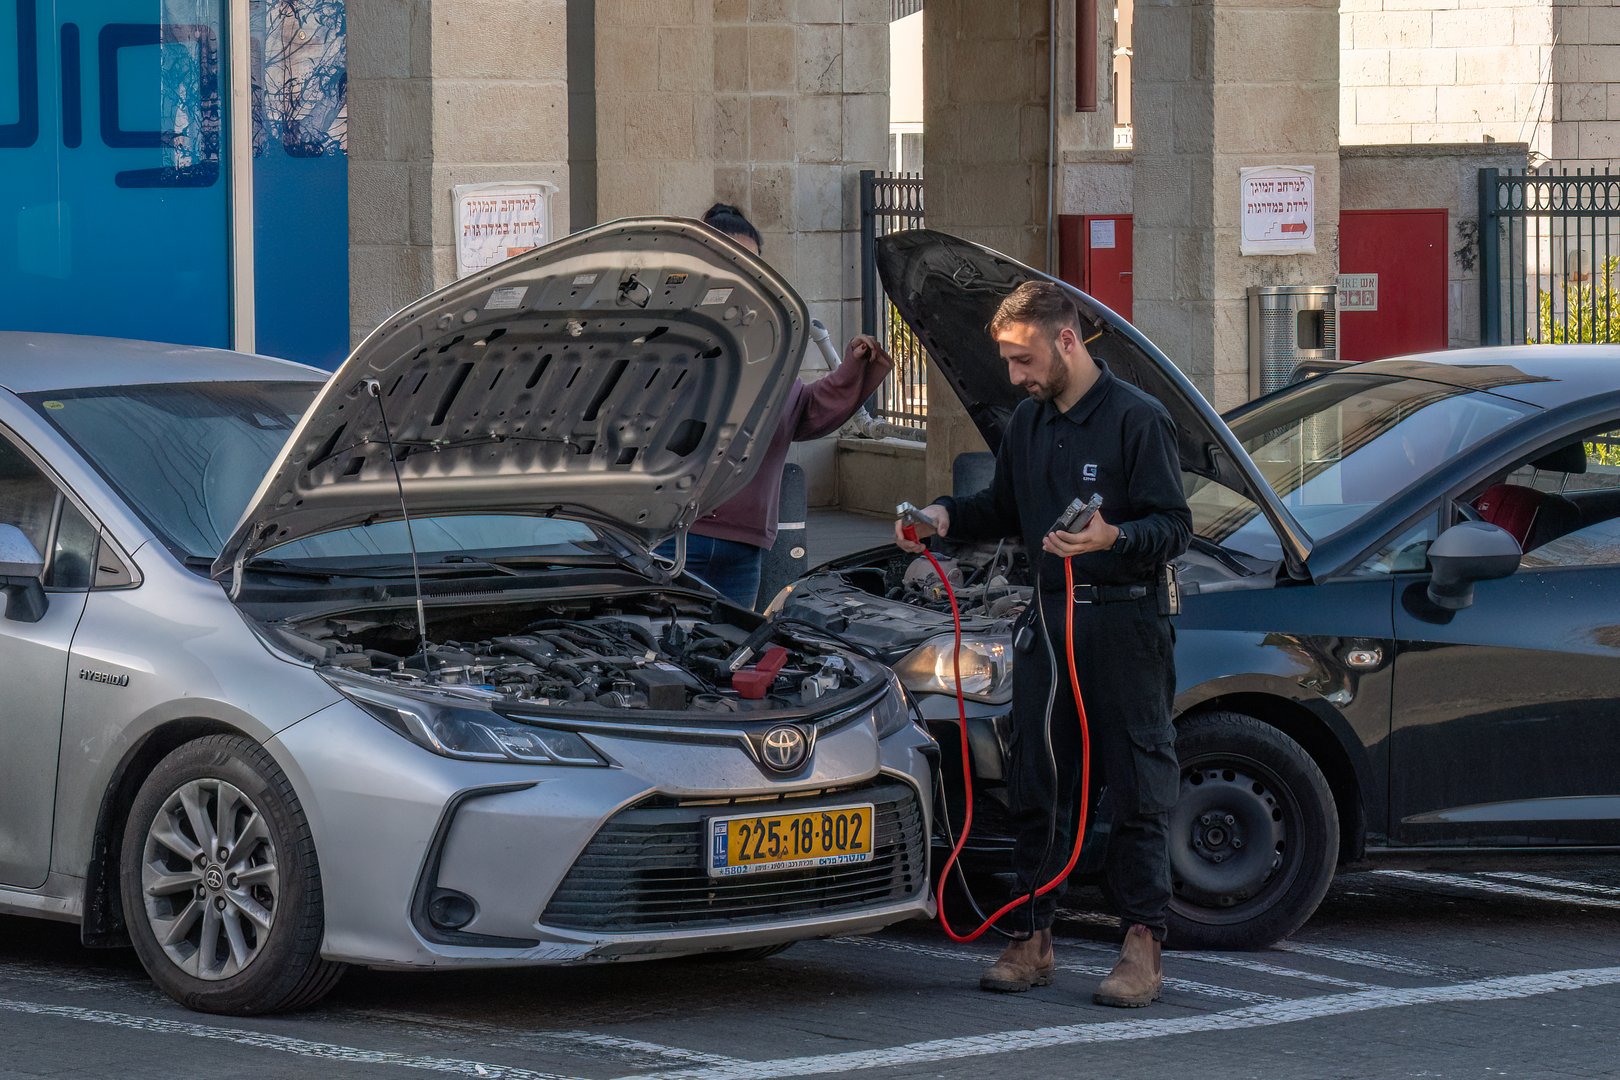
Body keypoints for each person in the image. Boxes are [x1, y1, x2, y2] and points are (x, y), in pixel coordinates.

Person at [895, 280, 1190, 1008]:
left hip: (1125, 623)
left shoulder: (1137, 419)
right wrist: (940, 515)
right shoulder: (1028, 424)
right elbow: (1000, 508)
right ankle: (1031, 937)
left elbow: (1175, 527)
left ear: (1066, 340)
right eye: (1007, 360)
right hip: (1047, 625)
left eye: (1023, 358)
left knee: (1137, 784)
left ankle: (1142, 945)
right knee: (1037, 780)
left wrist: (1114, 537)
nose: (1014, 375)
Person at [662, 203, 893, 607]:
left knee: (727, 654)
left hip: (744, 546)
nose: (744, 276)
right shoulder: (672, 335)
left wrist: (854, 367)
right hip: (675, 539)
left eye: (752, 265)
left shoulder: (767, 344)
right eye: (729, 262)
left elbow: (803, 409)